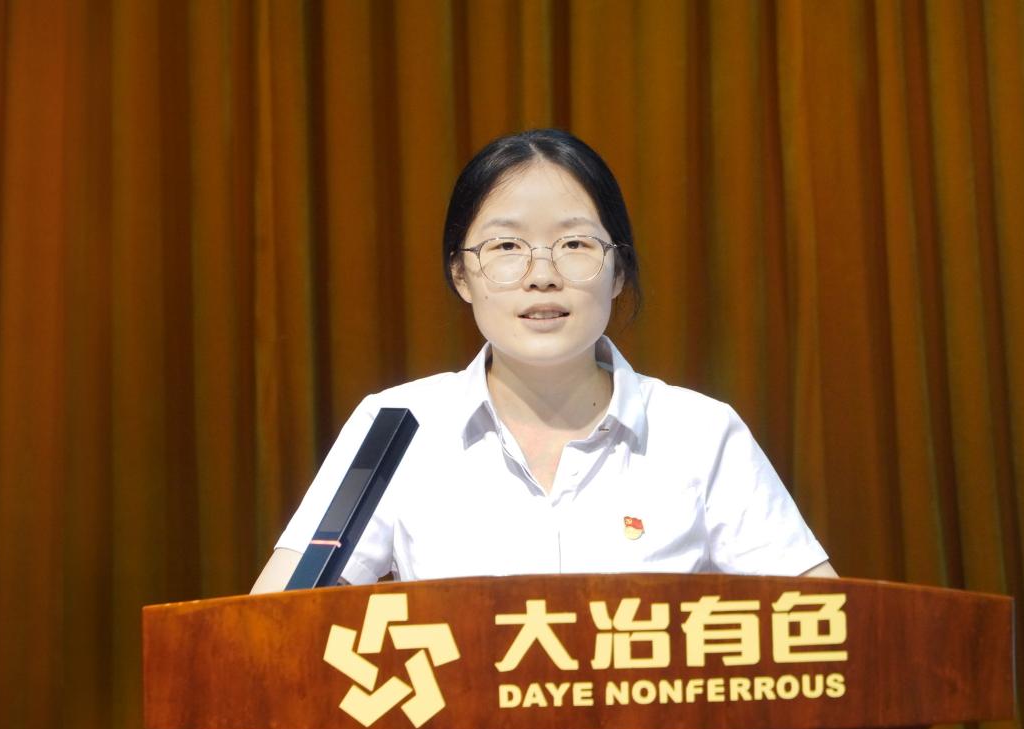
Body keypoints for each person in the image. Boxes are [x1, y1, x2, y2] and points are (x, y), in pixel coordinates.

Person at [251, 129, 835, 593]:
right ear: (461, 275)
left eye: (575, 244)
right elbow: (275, 627)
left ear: (618, 272)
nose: (542, 275)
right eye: (506, 246)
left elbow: (823, 628)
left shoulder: (699, 432)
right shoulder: (398, 424)